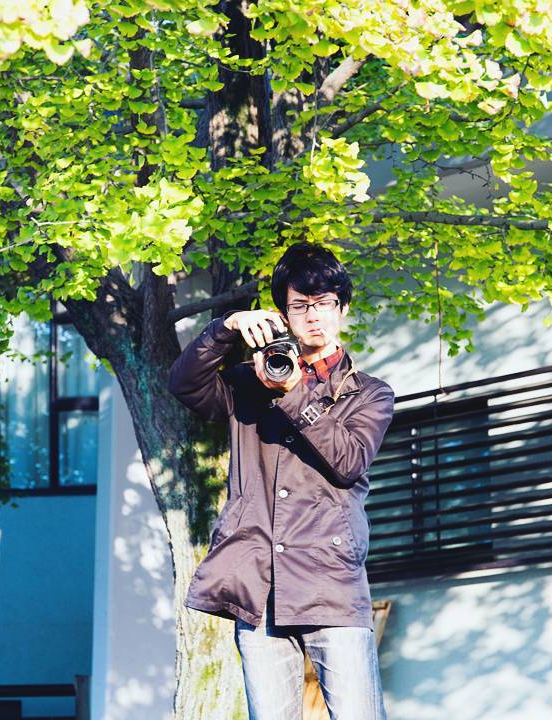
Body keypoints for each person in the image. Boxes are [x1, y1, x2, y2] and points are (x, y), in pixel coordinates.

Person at [168, 242, 395, 720]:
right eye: (300, 306)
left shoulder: (370, 394)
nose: (314, 316)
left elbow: (349, 461)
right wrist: (225, 328)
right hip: (259, 585)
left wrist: (294, 393)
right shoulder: (248, 382)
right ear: (284, 315)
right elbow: (184, 385)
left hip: (332, 582)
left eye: (325, 302)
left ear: (342, 307)